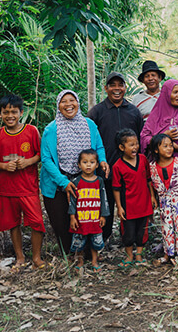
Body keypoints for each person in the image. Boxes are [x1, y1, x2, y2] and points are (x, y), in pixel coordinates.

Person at [40, 90, 108, 255]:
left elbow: (98, 146)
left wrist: (103, 160)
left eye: (72, 100)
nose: (69, 104)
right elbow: (46, 159)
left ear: (78, 103)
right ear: (58, 106)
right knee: (61, 221)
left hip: (85, 180)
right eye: (64, 101)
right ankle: (68, 255)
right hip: (57, 182)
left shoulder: (89, 125)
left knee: (84, 216)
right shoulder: (51, 129)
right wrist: (64, 182)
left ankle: (84, 253)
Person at [0, 94, 45, 270]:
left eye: (14, 112)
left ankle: (36, 257)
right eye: (6, 112)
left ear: (21, 112)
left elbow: (40, 154)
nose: (10, 115)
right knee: (13, 224)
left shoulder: (31, 131)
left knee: (36, 222)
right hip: (7, 189)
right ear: (0, 114)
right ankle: (20, 257)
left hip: (29, 187)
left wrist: (28, 162)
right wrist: (4, 166)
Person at [88, 72, 143, 243]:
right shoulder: (97, 112)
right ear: (106, 88)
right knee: (105, 207)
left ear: (125, 88)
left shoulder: (133, 111)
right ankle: (102, 240)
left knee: (129, 206)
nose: (117, 89)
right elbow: (88, 140)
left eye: (121, 85)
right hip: (105, 170)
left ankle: (130, 241)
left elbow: (141, 138)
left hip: (129, 171)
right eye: (113, 85)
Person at [113, 129, 153, 267]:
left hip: (144, 203)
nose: (135, 147)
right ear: (122, 147)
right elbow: (116, 188)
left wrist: (152, 196)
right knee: (128, 232)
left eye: (136, 144)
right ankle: (129, 255)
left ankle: (139, 255)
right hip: (128, 205)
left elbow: (148, 179)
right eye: (131, 144)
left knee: (142, 231)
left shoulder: (143, 159)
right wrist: (119, 207)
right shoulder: (117, 166)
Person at [147, 133, 178, 265]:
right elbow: (150, 182)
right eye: (165, 146)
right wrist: (153, 196)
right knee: (166, 227)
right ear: (156, 150)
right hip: (164, 201)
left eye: (171, 145)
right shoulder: (152, 166)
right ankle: (167, 253)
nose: (169, 148)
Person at [68, 149, 110, 270]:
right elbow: (72, 201)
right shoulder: (76, 182)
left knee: (95, 242)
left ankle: (94, 261)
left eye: (92, 162)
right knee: (79, 242)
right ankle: (80, 262)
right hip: (81, 218)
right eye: (85, 162)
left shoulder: (99, 181)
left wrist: (103, 215)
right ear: (79, 165)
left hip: (95, 217)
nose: (88, 165)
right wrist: (72, 217)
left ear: (97, 165)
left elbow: (104, 199)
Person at [141, 79, 178, 156]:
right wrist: (163, 136)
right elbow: (144, 138)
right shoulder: (156, 115)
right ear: (166, 94)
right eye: (175, 92)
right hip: (161, 163)